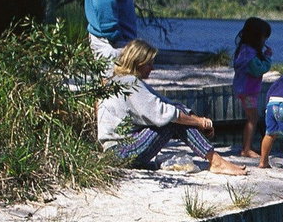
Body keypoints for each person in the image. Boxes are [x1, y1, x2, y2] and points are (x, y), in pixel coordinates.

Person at [98, 39, 247, 175]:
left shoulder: (120, 80)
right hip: (121, 152)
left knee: (176, 114)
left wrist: (200, 120)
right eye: (149, 63)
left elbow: (167, 103)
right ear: (139, 62)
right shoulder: (130, 83)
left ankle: (215, 160)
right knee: (172, 119)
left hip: (117, 152)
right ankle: (216, 161)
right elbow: (166, 113)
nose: (153, 68)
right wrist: (199, 123)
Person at [231, 17, 273, 159]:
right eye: (263, 39)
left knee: (252, 117)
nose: (264, 42)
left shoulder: (244, 50)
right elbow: (258, 69)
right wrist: (267, 58)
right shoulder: (249, 54)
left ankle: (247, 146)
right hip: (248, 91)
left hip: (244, 89)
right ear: (256, 37)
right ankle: (246, 149)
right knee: (253, 118)